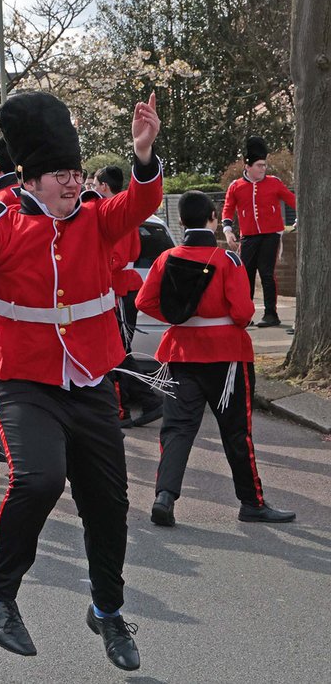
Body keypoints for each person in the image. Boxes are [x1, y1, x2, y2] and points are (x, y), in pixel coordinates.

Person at [0, 90, 162, 671]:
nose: (73, 184)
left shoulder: (97, 218)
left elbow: (141, 202)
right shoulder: (2, 223)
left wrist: (143, 154)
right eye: (60, 176)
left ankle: (106, 609)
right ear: (30, 178)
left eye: (75, 173)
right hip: (20, 376)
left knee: (109, 502)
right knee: (39, 480)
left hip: (90, 378)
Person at [136, 190, 296, 527]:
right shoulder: (229, 260)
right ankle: (251, 503)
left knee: (177, 428)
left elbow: (144, 302)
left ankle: (165, 496)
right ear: (212, 217)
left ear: (180, 221)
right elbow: (242, 312)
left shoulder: (167, 258)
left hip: (181, 352)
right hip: (226, 357)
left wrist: (180, 318)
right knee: (237, 432)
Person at [94, 165, 163, 428]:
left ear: (103, 186)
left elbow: (118, 257)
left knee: (118, 353)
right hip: (117, 288)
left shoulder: (116, 213)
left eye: (95, 184)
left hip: (119, 289)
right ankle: (138, 403)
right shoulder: (116, 211)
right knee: (117, 352)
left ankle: (133, 405)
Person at [221, 136, 296, 328]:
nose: (263, 169)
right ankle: (244, 314)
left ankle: (271, 314)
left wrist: (299, 218)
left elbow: (294, 201)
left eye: (264, 165)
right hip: (248, 236)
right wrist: (228, 231)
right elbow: (228, 210)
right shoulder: (236, 186)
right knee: (245, 274)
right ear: (248, 166)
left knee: (266, 272)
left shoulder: (274, 183)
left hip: (271, 234)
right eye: (259, 165)